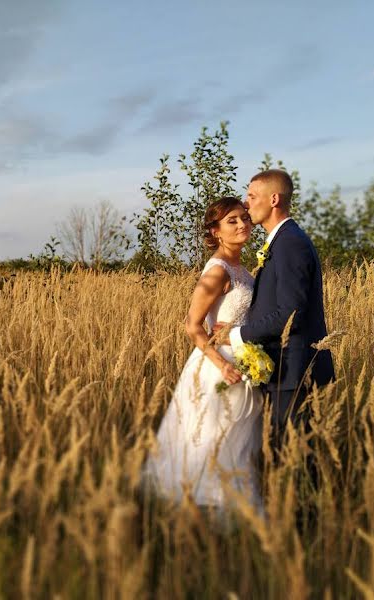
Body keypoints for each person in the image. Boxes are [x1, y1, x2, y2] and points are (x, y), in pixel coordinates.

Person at [141, 196, 262, 511]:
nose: (242, 224)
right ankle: (206, 508)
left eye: (244, 218)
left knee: (236, 444)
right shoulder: (217, 271)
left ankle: (232, 509)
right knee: (210, 439)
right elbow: (192, 325)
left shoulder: (242, 268)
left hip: (243, 359)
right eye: (232, 221)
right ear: (216, 231)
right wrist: (222, 365)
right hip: (217, 365)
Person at [221, 169, 335, 451]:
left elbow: (289, 312)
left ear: (273, 199)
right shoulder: (283, 241)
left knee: (295, 460)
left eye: (251, 196)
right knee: (286, 457)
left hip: (295, 372)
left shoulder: (289, 243)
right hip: (285, 372)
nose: (246, 204)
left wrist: (235, 335)